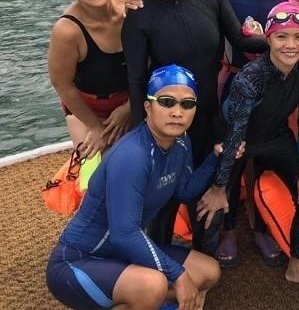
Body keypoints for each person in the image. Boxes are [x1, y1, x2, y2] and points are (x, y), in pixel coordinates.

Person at [121, 0, 267, 251]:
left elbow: (241, 43)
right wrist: (141, 133)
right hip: (167, 122)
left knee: (206, 197)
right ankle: (156, 268)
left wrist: (284, 44)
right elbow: (135, 79)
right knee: (163, 202)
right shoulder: (139, 15)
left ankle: (202, 261)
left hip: (208, 115)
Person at [46, 65, 222, 310]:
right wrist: (179, 276)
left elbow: (184, 191)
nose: (177, 112)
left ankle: (136, 298)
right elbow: (124, 234)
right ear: (148, 107)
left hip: (124, 255)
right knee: (155, 285)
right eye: (166, 102)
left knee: (208, 271)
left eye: (187, 104)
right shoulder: (133, 155)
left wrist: (216, 158)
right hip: (78, 262)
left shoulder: (181, 142)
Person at [212, 2, 299, 293]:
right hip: (235, 139)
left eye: (298, 37)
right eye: (281, 37)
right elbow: (236, 131)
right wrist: (218, 185)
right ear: (268, 39)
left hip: (276, 137)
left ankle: (295, 267)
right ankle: (228, 230)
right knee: (218, 196)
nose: (290, 45)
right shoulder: (250, 79)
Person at [47, 0, 130, 159]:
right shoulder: (68, 30)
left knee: (138, 163)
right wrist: (95, 127)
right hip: (88, 111)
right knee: (97, 174)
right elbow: (62, 85)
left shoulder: (130, 6)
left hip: (131, 102)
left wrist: (130, 107)